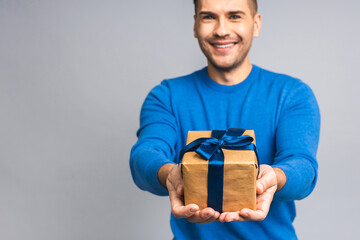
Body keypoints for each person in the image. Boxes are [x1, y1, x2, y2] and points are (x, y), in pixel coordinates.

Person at [130, 0, 320, 239]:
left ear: (256, 24)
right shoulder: (166, 95)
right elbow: (144, 155)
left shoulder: (291, 94)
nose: (221, 30)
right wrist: (171, 174)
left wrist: (275, 178)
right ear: (195, 25)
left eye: (235, 16)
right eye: (209, 17)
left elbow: (302, 166)